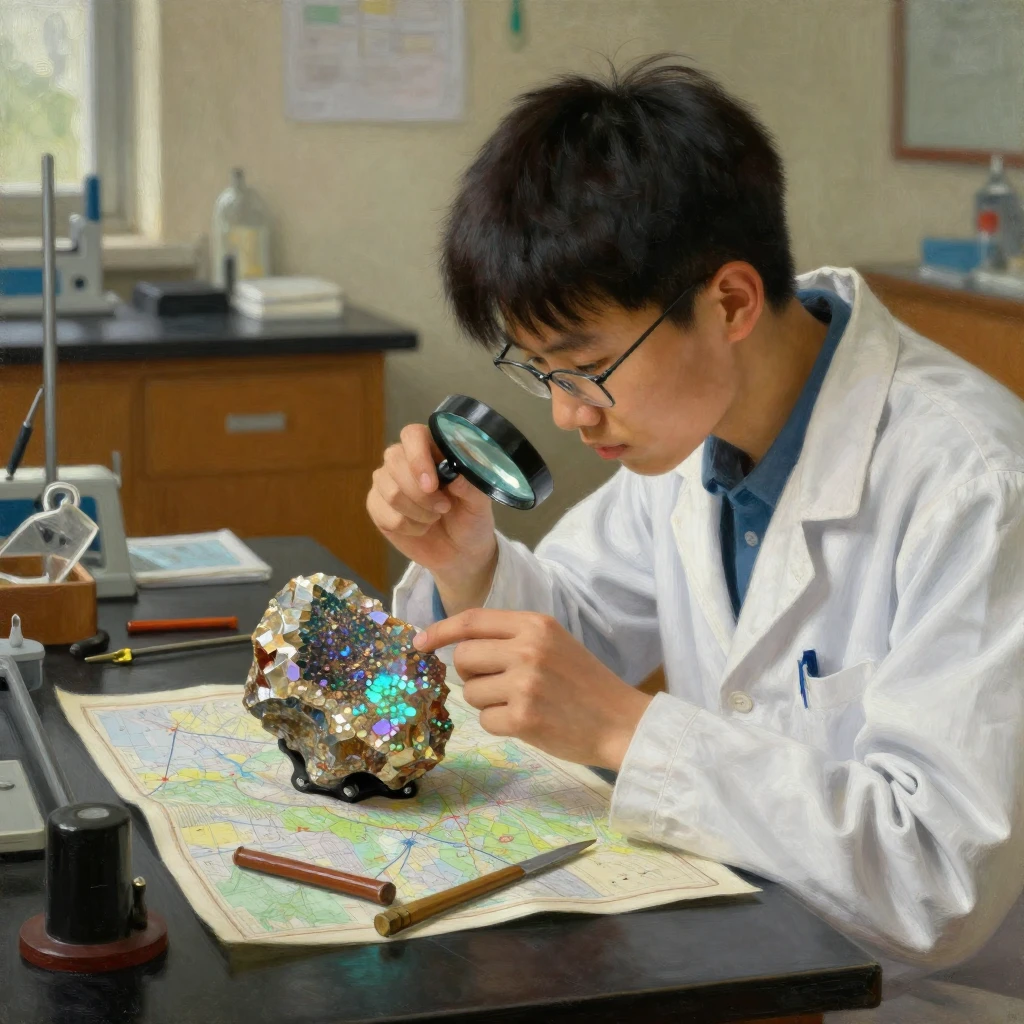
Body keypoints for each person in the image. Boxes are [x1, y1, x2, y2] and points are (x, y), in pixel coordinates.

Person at [365, 57, 1024, 1016]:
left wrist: (629, 731)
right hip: (737, 949)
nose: (567, 413)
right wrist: (469, 562)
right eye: (539, 371)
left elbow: (937, 879)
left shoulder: (976, 487)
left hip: (922, 999)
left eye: (587, 366)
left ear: (730, 303)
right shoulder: (691, 438)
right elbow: (577, 640)